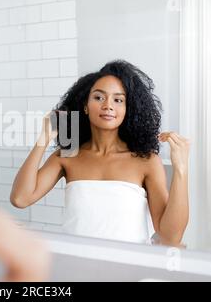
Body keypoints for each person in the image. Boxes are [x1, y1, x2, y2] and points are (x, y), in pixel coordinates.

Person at [10, 60, 190, 247]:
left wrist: (181, 170)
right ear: (85, 106)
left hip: (128, 269)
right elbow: (20, 198)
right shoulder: (68, 155)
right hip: (78, 266)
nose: (108, 106)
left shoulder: (145, 160)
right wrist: (44, 138)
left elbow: (171, 237)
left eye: (118, 100)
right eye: (98, 97)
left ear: (128, 109)